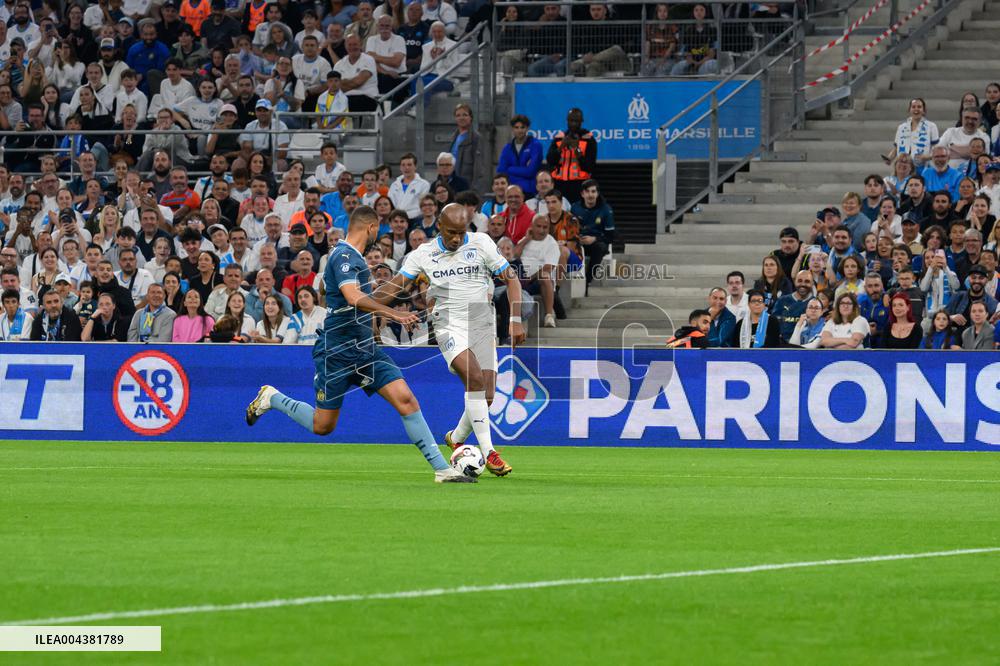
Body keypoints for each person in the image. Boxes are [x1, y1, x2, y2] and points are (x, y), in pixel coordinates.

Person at [245, 206, 474, 484]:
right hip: (337, 351)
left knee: (406, 400)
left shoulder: (355, 259)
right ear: (371, 228)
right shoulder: (343, 255)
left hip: (365, 349)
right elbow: (353, 297)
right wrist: (394, 313)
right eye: (378, 228)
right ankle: (272, 398)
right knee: (323, 426)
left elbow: (363, 298)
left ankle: (442, 469)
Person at [515, 215, 561, 328]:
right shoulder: (525, 240)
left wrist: (530, 278)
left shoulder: (551, 244)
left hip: (536, 281)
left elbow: (549, 267)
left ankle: (549, 316)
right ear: (532, 226)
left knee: (545, 276)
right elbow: (513, 256)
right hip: (519, 278)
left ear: (549, 228)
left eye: (545, 227)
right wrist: (526, 239)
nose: (541, 230)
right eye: (538, 226)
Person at [571, 179, 615, 290]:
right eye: (587, 191)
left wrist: (594, 239)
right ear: (582, 194)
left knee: (599, 248)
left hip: (596, 242)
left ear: (597, 193)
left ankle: (587, 281)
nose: (590, 195)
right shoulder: (575, 208)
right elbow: (569, 229)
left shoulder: (606, 210)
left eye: (593, 191)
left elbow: (610, 237)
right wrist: (576, 238)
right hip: (578, 241)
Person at [547, 108, 597, 204]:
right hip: (559, 184)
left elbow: (590, 166)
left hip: (579, 185)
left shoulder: (589, 139)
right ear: (567, 121)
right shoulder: (559, 138)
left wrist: (576, 149)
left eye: (576, 121)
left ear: (581, 121)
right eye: (571, 120)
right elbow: (550, 160)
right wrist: (561, 146)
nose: (573, 124)